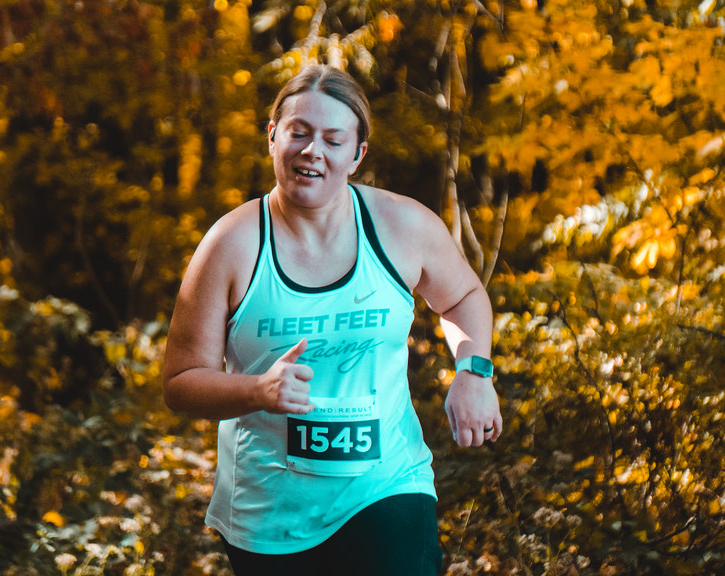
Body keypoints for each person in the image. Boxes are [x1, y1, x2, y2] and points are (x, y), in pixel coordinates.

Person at [162, 64, 502, 576]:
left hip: (388, 484)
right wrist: (257, 392)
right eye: (298, 132)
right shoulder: (231, 245)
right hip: (270, 512)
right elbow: (180, 382)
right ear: (273, 137)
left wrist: (474, 371)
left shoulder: (402, 225)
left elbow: (464, 297)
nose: (312, 151)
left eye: (332, 139)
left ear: (357, 154)